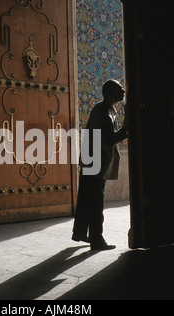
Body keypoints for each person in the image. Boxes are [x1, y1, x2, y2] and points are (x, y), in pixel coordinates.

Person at [72, 79, 129, 251]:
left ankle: (80, 233)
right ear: (111, 94)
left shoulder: (103, 108)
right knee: (96, 200)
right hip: (95, 161)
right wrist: (125, 131)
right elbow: (106, 141)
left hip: (92, 159)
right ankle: (97, 240)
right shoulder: (104, 111)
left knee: (86, 198)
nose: (124, 91)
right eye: (120, 89)